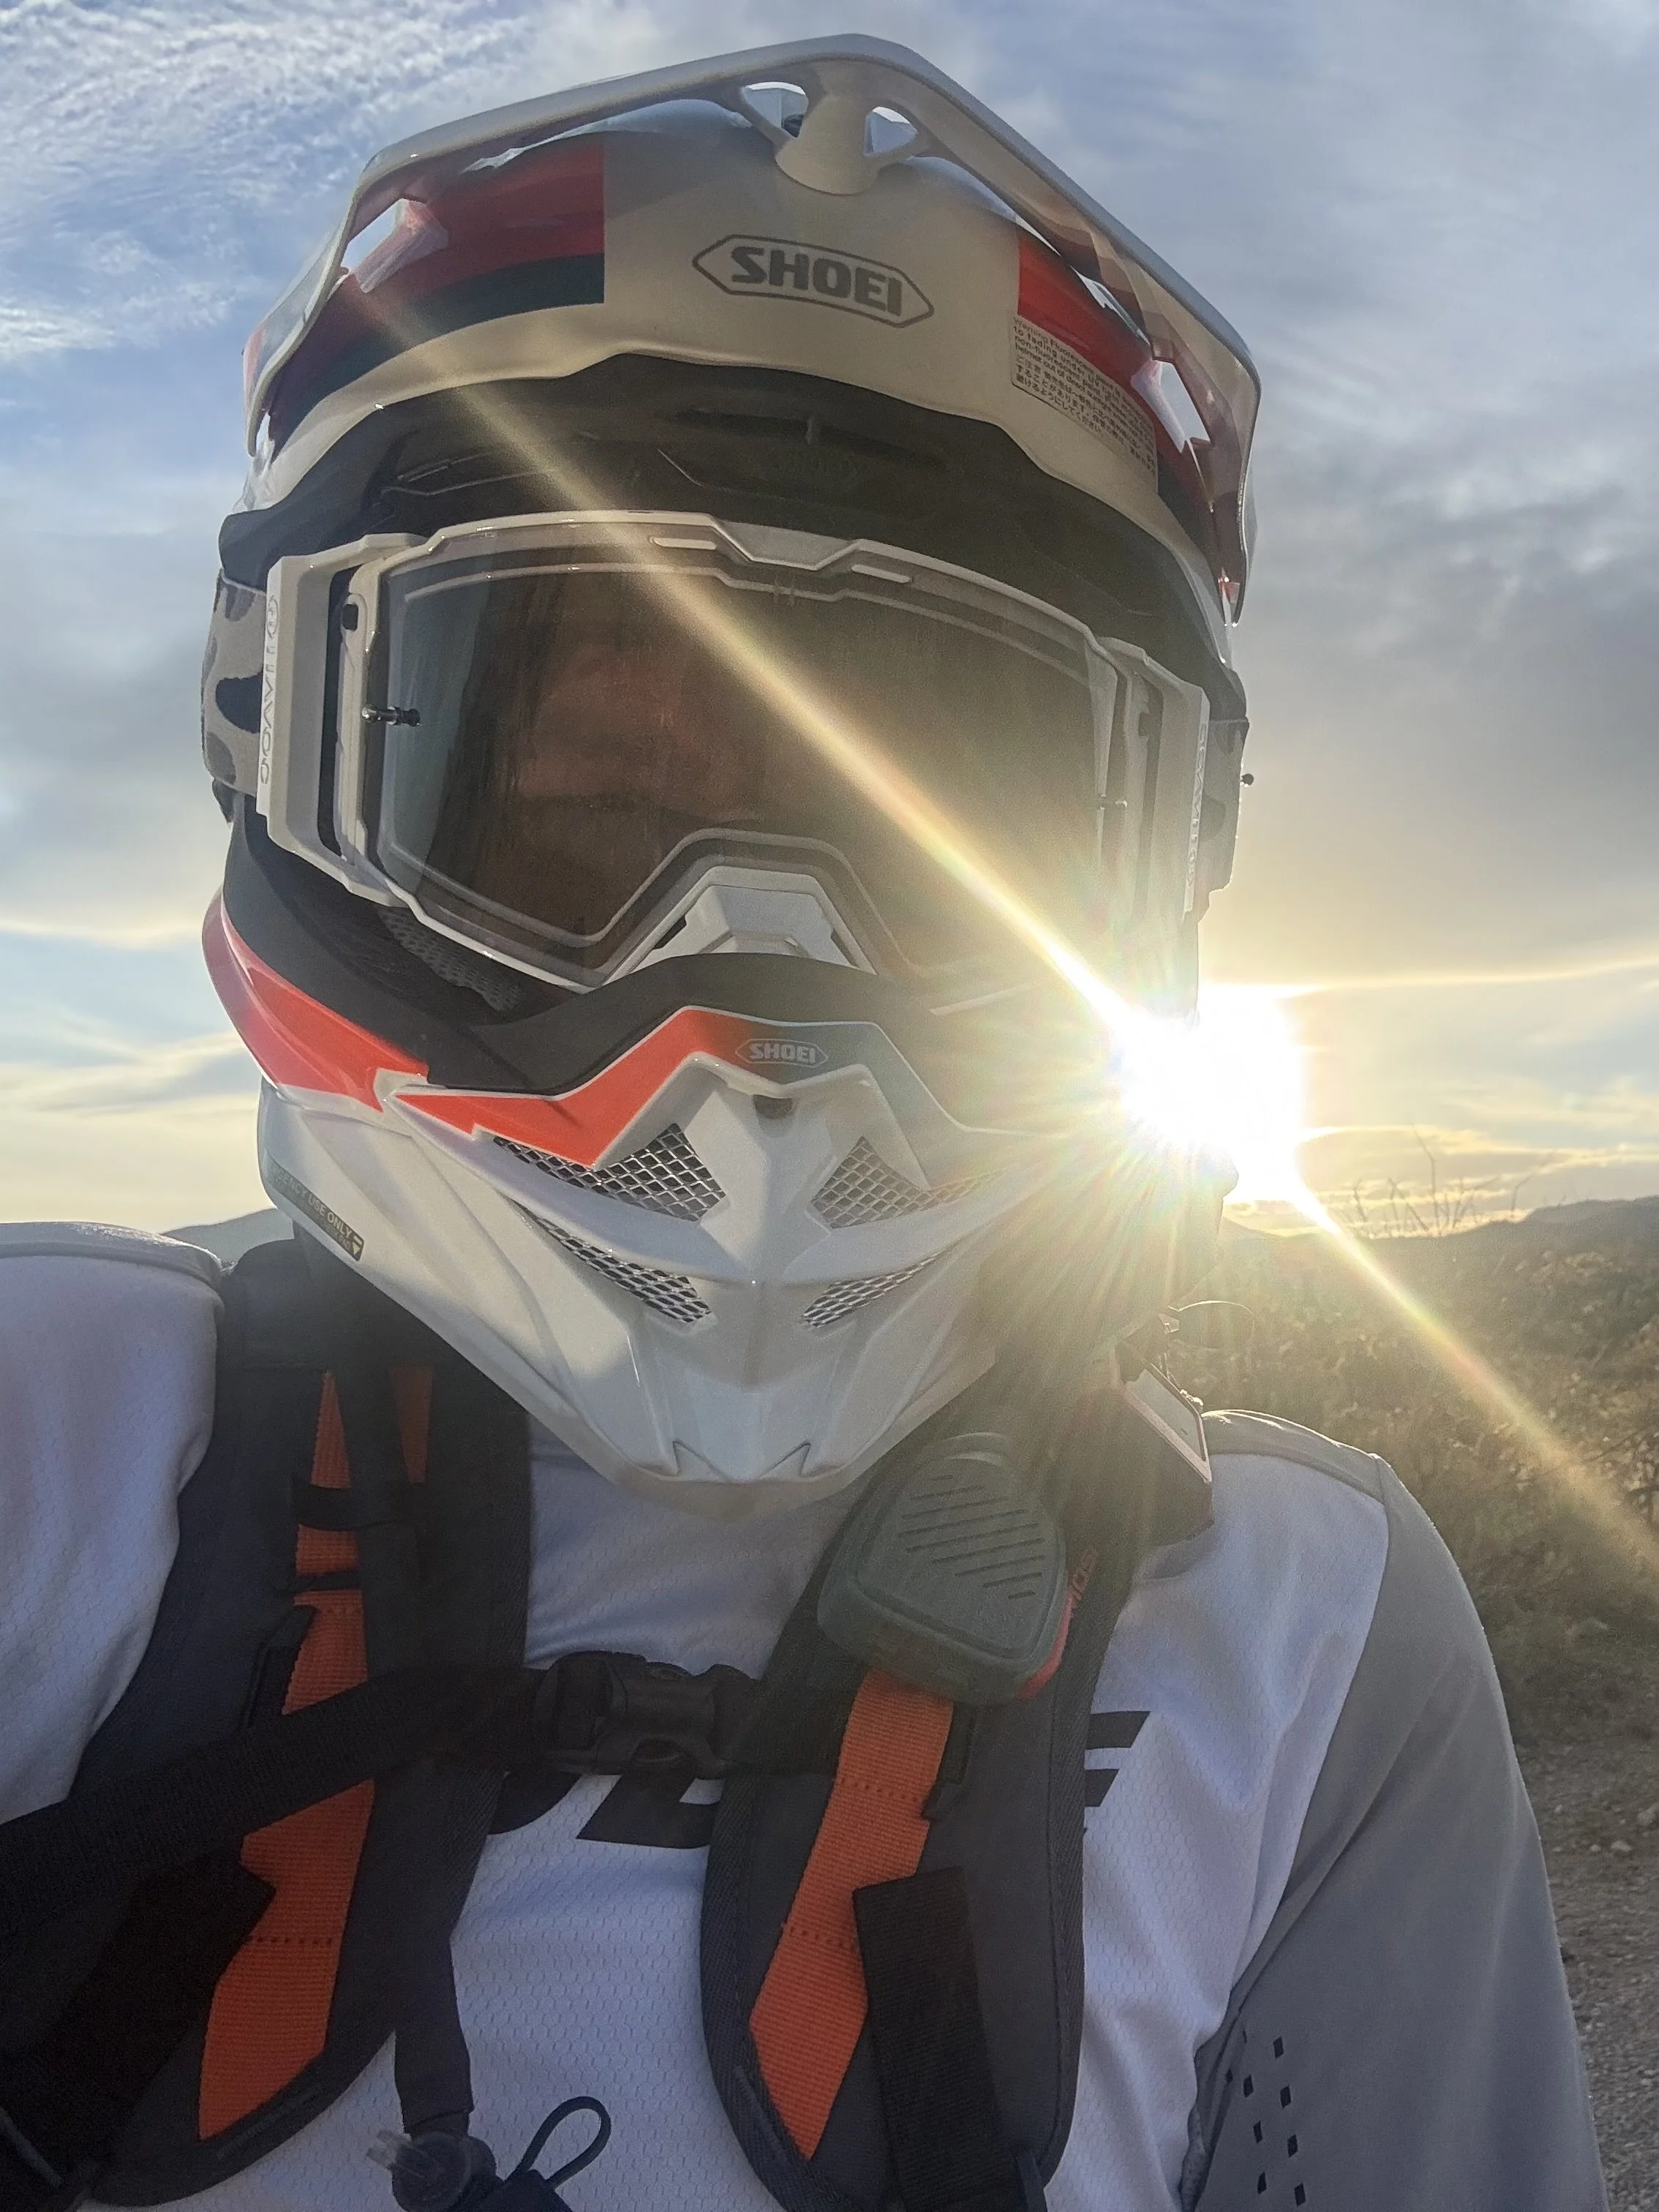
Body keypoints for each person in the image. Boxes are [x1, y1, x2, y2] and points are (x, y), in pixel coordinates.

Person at [0, 37, 1604, 2212]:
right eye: (580, 806)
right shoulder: (56, 1432)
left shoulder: (1294, 1616)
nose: (738, 987)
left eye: (910, 845)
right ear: (282, 744)